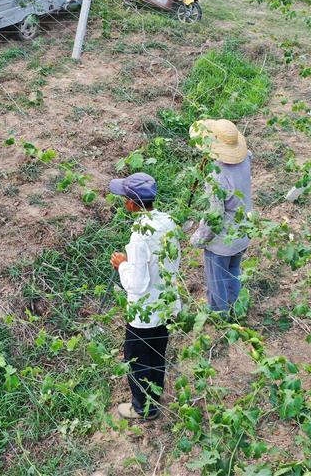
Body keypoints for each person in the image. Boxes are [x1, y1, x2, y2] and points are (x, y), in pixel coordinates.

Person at [109, 172, 182, 420]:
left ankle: (143, 407)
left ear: (131, 203)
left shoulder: (139, 237)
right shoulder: (168, 221)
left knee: (138, 359)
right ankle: (155, 395)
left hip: (145, 311)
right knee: (157, 353)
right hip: (166, 303)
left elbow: (137, 284)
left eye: (124, 198)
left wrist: (123, 265)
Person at [189, 119, 253, 314]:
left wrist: (198, 239)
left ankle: (220, 315)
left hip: (222, 242)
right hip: (243, 230)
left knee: (216, 281)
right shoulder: (246, 159)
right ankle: (234, 302)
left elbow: (214, 217)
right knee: (233, 270)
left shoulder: (216, 178)